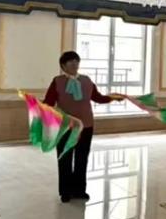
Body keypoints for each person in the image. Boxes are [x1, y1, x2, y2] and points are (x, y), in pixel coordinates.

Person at [44, 51, 119, 203]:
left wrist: (113, 97)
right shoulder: (57, 81)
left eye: (76, 61)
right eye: (70, 61)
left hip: (86, 126)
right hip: (66, 127)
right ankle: (65, 192)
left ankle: (79, 190)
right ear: (63, 65)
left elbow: (98, 97)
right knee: (65, 159)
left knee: (82, 158)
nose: (74, 64)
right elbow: (49, 103)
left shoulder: (86, 80)